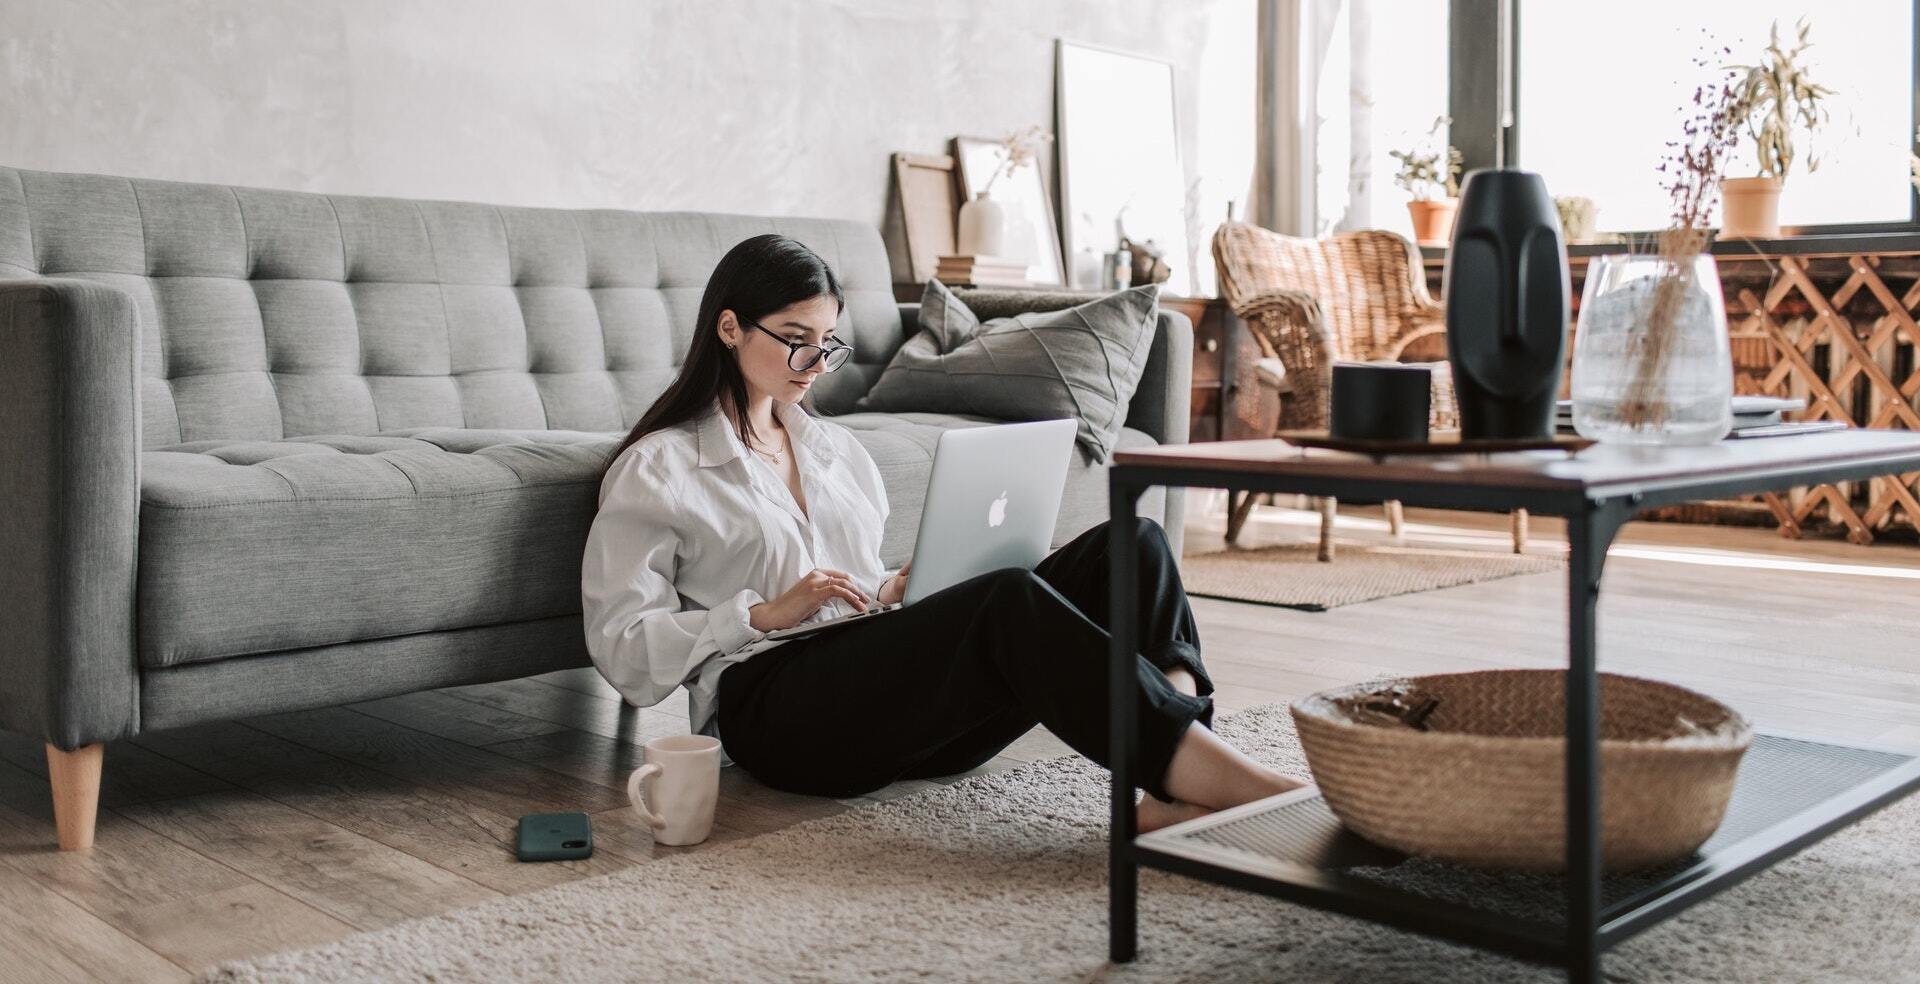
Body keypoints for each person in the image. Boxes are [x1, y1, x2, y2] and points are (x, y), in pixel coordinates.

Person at [581, 234, 1304, 832]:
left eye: (827, 344)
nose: (814, 366)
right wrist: (758, 615)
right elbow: (622, 646)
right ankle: (1234, 785)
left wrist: (897, 591)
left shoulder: (837, 452)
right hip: (774, 714)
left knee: (1133, 542)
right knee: (1008, 602)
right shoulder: (662, 466)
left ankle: (1177, 781)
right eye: (796, 341)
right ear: (730, 327)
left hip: (884, 705)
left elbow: (851, 587)